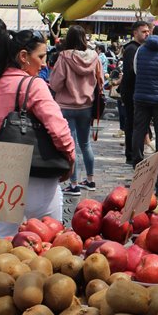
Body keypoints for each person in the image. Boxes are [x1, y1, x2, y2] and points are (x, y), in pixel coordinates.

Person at [0, 30, 74, 236]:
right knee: (47, 241)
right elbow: (58, 128)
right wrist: (70, 158)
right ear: (23, 57)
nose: (44, 64)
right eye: (40, 57)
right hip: (36, 173)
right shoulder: (34, 85)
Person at [49, 25, 102, 195]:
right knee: (85, 144)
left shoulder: (64, 57)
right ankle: (91, 180)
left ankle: (73, 184)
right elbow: (100, 81)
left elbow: (56, 84)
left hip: (66, 106)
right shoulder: (95, 57)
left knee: (70, 145)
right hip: (86, 106)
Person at [131, 25, 158, 166]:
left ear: (152, 33)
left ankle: (137, 159)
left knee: (139, 129)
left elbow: (136, 70)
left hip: (141, 96)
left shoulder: (141, 49)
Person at [118, 21, 150, 165]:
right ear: (135, 33)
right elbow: (131, 72)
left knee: (135, 123)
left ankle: (133, 152)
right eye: (143, 31)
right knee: (132, 123)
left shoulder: (140, 48)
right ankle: (131, 153)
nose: (147, 34)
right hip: (131, 91)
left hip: (135, 90)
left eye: (148, 31)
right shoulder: (132, 49)